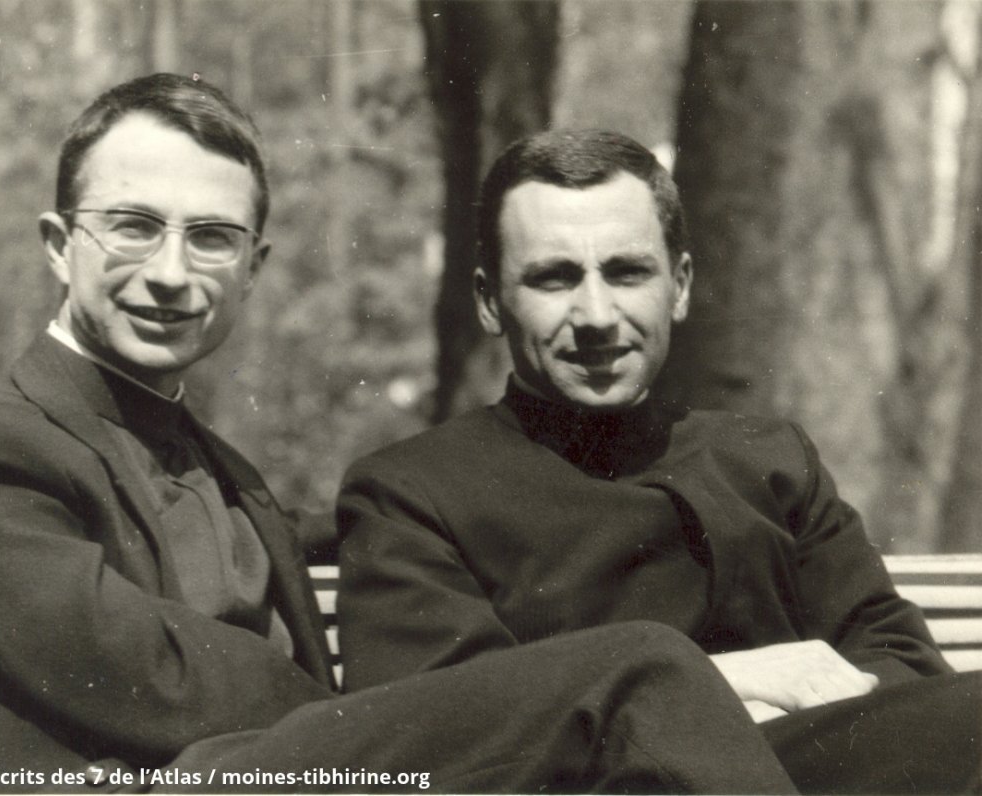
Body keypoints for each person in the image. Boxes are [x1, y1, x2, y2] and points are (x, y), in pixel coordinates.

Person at [0, 76, 801, 794]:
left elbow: (348, 531)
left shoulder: (223, 474)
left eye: (213, 238)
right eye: (133, 227)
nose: (173, 273)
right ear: (60, 244)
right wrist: (403, 714)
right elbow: (156, 679)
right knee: (630, 670)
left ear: (254, 266)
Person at [337, 128, 982, 795]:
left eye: (626, 272)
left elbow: (902, 663)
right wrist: (723, 688)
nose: (596, 315)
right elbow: (433, 735)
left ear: (679, 286)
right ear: (489, 300)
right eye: (554, 278)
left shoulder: (769, 460)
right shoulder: (412, 492)